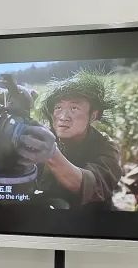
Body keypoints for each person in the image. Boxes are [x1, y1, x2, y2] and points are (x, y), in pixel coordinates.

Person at [34, 70, 122, 208]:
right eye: (58, 108)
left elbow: (89, 186)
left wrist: (50, 152)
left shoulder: (105, 146)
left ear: (92, 116)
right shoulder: (40, 137)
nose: (63, 117)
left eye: (74, 108)